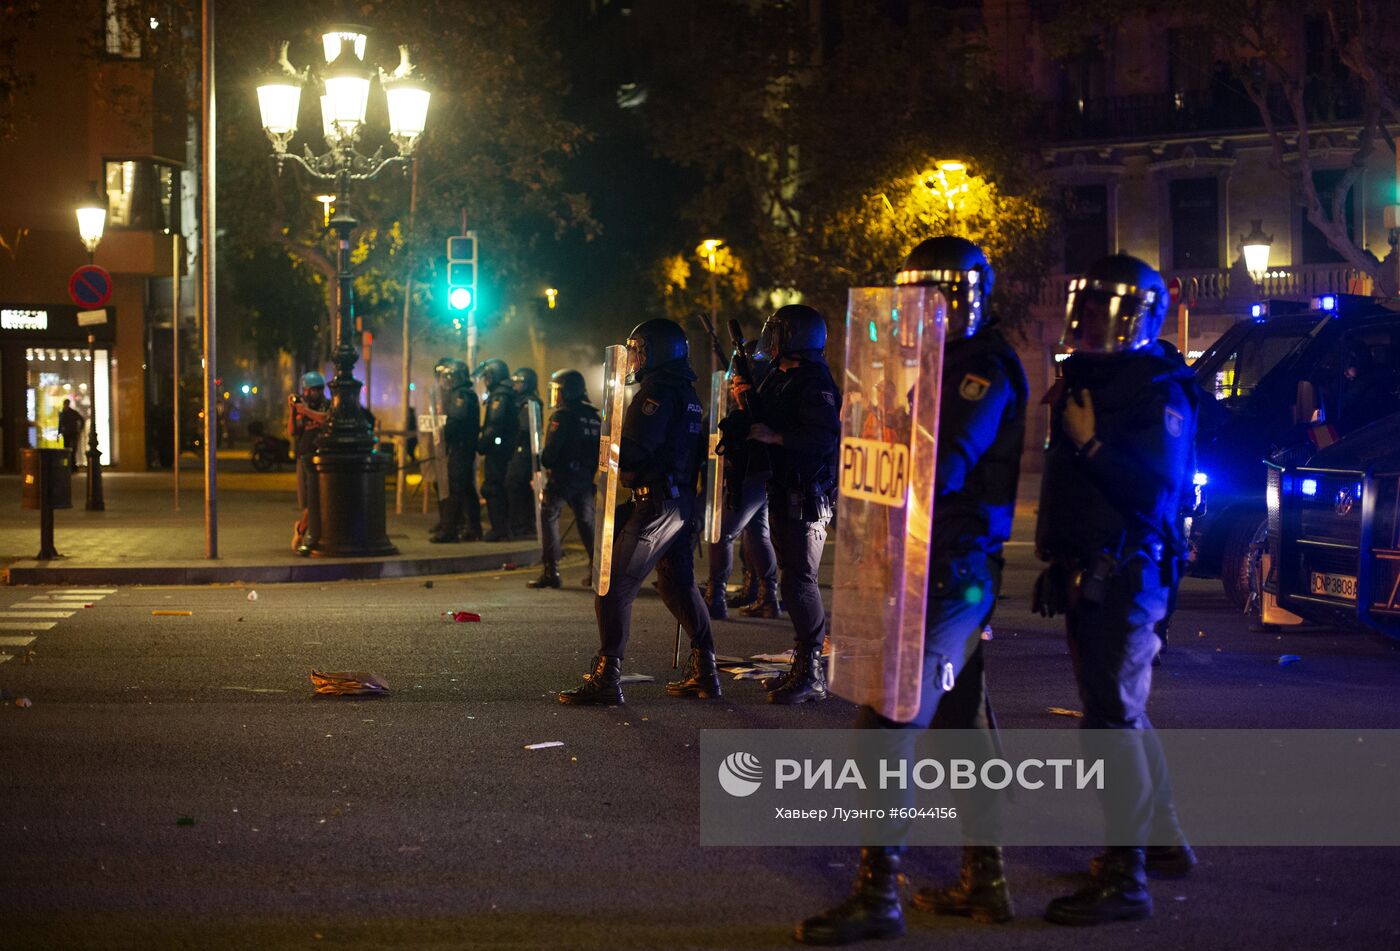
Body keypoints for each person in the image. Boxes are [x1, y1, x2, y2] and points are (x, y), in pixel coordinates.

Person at [795, 237, 1028, 944]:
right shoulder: (921, 364)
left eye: (939, 298)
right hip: (922, 564)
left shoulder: (980, 368)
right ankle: (986, 882)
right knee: (963, 726)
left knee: (885, 720)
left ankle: (876, 894)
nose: (925, 312)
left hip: (952, 571)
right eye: (915, 299)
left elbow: (943, 460)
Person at [1033, 253, 1199, 926]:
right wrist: (1057, 555)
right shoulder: (1091, 376)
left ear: (1138, 318)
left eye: (1107, 316)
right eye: (1088, 314)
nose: (1092, 328)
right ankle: (1160, 841)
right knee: (1117, 709)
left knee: (1110, 720)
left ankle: (1125, 875)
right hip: (1093, 570)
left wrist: (1092, 442)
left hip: (1129, 572)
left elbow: (1153, 492)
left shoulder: (1158, 387)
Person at [558, 319, 717, 705]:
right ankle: (705, 670)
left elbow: (634, 452)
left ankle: (607, 675)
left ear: (660, 352)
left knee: (612, 583)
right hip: (678, 501)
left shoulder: (658, 393)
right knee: (676, 585)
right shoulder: (687, 391)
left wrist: (602, 441)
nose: (635, 358)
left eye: (641, 350)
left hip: (657, 503)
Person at [729, 304, 841, 705]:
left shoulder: (815, 381)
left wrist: (777, 437)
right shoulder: (780, 376)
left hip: (806, 494)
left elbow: (823, 437)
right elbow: (764, 419)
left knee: (800, 581)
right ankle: (803, 667)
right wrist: (745, 400)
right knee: (793, 582)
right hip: (782, 487)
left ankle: (811, 674)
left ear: (796, 338)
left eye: (778, 334)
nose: (771, 341)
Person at [705, 341, 781, 621]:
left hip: (753, 473)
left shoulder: (760, 401)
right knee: (756, 534)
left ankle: (716, 597)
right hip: (755, 473)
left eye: (738, 381)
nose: (733, 385)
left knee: (721, 533)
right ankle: (768, 598)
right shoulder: (764, 395)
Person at [528, 369, 601, 589]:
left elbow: (550, 455)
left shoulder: (562, 416)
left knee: (549, 516)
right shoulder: (593, 416)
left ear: (567, 391)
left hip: (563, 478)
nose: (556, 396)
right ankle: (597, 571)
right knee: (587, 523)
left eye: (558, 391)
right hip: (586, 479)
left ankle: (551, 571)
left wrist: (542, 458)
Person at [429, 358, 483, 543]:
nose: (447, 381)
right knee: (466, 489)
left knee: (455, 488)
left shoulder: (461, 395)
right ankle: (473, 529)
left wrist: (442, 434)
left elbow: (456, 422)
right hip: (463, 448)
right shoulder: (466, 394)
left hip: (460, 448)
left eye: (450, 377)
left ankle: (449, 530)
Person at [475, 358, 519, 541]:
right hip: (505, 451)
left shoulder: (499, 396)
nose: (486, 381)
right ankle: (503, 528)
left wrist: (482, 445)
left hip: (497, 452)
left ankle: (499, 529)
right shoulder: (507, 393)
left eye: (488, 377)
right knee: (498, 488)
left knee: (492, 488)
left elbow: (495, 424)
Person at [289, 371, 329, 555]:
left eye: (313, 390)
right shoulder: (303, 408)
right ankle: (306, 530)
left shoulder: (326, 405)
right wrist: (293, 411)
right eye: (307, 390)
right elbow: (292, 431)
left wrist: (305, 411)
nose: (309, 394)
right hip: (304, 456)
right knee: (307, 501)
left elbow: (325, 419)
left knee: (316, 499)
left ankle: (302, 530)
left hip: (321, 458)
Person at [507, 367, 544, 538]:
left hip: (524, 452)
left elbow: (523, 429)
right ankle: (525, 525)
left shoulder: (528, 402)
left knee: (516, 487)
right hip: (526, 452)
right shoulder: (524, 400)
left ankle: (523, 527)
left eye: (519, 383)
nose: (515, 386)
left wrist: (512, 444)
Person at [58, 398, 85, 470]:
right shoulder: (64, 413)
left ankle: (71, 466)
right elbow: (60, 424)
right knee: (69, 450)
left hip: (71, 433)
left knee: (71, 450)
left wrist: (80, 429)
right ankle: (71, 466)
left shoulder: (69, 413)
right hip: (68, 434)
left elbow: (81, 420)